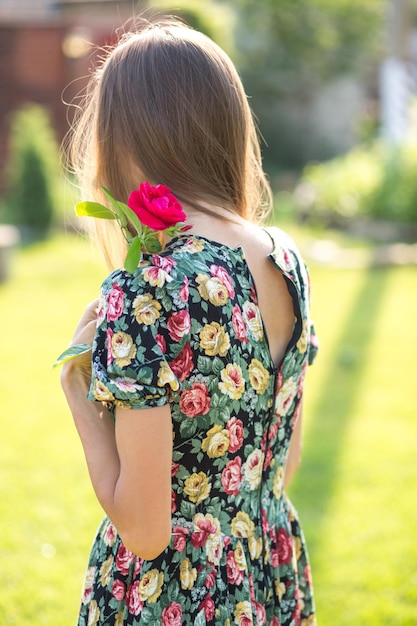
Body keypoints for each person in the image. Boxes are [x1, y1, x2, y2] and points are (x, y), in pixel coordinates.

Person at [61, 15, 318, 626]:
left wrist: (76, 391)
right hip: (264, 577)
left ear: (121, 140)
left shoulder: (148, 288)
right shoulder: (283, 257)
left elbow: (146, 532)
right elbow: (286, 459)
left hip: (173, 598)